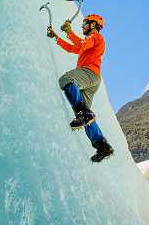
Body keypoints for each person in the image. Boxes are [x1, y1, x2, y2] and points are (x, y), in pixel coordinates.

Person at [47, 13, 114, 163]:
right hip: (92, 78)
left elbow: (82, 44)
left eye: (85, 23)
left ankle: (83, 113)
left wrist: (69, 32)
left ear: (94, 25)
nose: (83, 25)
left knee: (65, 79)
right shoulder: (89, 42)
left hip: (89, 73)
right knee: (87, 117)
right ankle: (102, 146)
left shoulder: (95, 37)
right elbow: (73, 48)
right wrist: (57, 37)